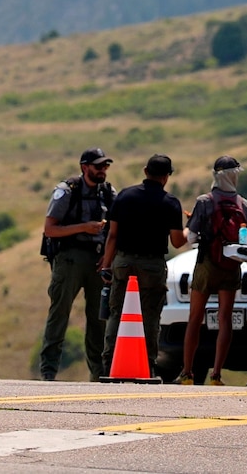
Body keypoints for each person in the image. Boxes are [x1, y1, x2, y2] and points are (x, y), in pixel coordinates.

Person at [99, 154, 188, 377]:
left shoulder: (124, 197)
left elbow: (113, 235)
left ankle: (109, 364)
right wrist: (191, 227)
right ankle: (146, 366)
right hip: (152, 265)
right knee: (150, 315)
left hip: (124, 261)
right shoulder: (170, 203)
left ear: (145, 171)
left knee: (117, 312)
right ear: (167, 176)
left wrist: (106, 265)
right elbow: (177, 240)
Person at [175, 155, 247, 386]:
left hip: (207, 263)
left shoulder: (204, 201)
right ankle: (217, 374)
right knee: (225, 319)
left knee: (195, 318)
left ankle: (187, 373)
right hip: (230, 265)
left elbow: (190, 238)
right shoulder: (244, 204)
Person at [38, 147, 116, 381]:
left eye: (105, 166)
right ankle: (49, 371)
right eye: (98, 166)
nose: (103, 170)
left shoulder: (108, 193)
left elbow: (115, 228)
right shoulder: (67, 191)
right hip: (69, 258)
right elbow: (50, 229)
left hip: (97, 260)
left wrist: (108, 258)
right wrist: (84, 227)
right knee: (59, 313)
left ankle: (99, 373)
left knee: (98, 318)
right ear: (85, 167)